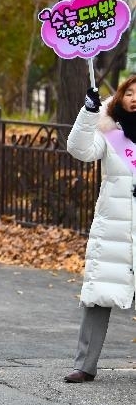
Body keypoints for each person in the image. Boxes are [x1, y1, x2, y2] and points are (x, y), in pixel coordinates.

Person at [63, 76, 136, 384]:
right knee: (98, 296)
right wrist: (89, 111)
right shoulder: (111, 131)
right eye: (129, 92)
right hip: (114, 227)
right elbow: (79, 149)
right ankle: (85, 364)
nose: (134, 97)